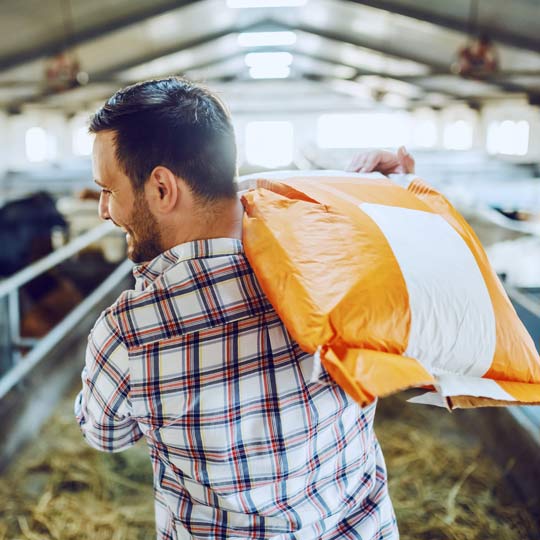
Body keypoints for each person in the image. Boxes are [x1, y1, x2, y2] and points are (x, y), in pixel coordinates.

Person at [75, 76, 414, 540]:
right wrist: (374, 196)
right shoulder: (338, 257)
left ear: (161, 188)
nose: (103, 210)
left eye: (108, 189)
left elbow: (105, 435)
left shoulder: (128, 334)